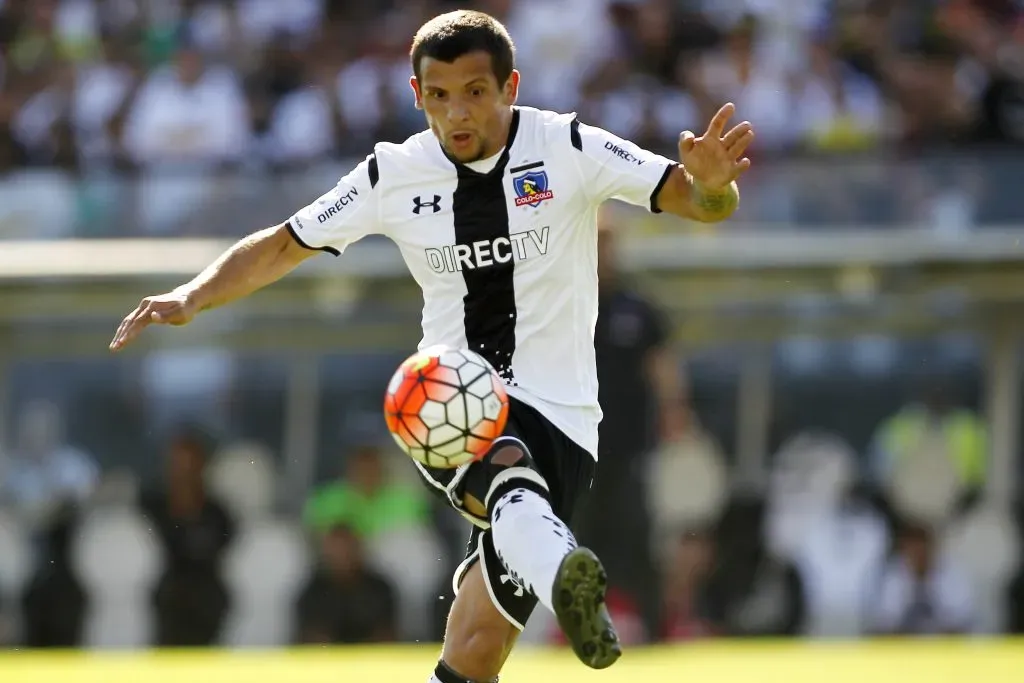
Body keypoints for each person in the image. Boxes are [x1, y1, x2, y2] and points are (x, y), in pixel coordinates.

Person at [109, 10, 753, 682]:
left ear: (510, 86)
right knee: (485, 446)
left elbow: (698, 203)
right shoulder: (394, 174)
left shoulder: (566, 145)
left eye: (476, 90)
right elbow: (283, 242)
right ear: (417, 97)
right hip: (448, 399)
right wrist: (193, 295)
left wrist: (713, 184)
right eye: (439, 96)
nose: (457, 112)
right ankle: (560, 566)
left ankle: (550, 554)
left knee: (472, 649)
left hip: (565, 421)